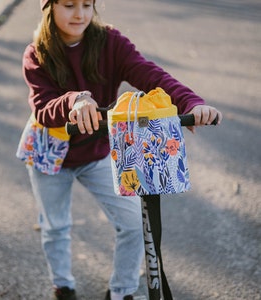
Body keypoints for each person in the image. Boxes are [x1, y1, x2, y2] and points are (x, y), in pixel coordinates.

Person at [17, 0, 223, 300]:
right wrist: (75, 100)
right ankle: (63, 285)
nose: (80, 13)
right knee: (55, 226)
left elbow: (151, 76)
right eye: (69, 5)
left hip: (97, 148)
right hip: (49, 151)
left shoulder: (110, 43)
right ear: (49, 8)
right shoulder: (37, 53)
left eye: (87, 4)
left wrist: (190, 102)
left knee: (133, 224)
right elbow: (43, 108)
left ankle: (121, 291)